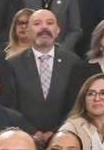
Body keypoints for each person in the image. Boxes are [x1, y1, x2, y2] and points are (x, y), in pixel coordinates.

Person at [7, 9, 82, 139]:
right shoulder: (13, 64)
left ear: (58, 30)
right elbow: (10, 106)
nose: (44, 27)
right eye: (37, 23)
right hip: (24, 137)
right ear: (28, 31)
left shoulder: (73, 62)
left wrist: (56, 131)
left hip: (64, 136)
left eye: (50, 23)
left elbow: (76, 105)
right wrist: (31, 132)